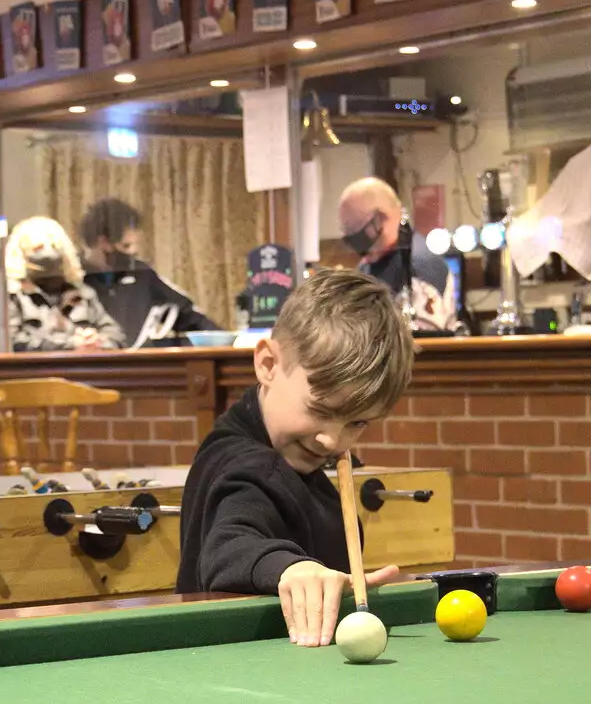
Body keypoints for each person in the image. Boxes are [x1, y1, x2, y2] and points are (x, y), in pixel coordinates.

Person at [175, 270, 415, 646]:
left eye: (358, 422)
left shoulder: (281, 457)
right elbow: (228, 545)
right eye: (319, 409)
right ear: (268, 365)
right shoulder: (249, 466)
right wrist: (290, 567)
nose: (331, 439)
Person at [77, 197, 220, 346]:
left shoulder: (142, 274)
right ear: (103, 242)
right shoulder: (71, 280)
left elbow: (190, 316)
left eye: (134, 245)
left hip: (138, 366)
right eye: (126, 246)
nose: (134, 251)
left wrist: (228, 342)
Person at [336, 177, 459, 333]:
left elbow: (424, 341)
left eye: (353, 228)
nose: (349, 237)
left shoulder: (421, 265)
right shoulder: (368, 265)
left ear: (380, 219)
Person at [2, 215, 124, 352]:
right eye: (38, 248)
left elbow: (115, 334)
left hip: (83, 370)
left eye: (54, 246)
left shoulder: (84, 294)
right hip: (37, 372)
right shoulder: (12, 297)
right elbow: (11, 342)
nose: (49, 253)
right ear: (22, 255)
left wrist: (98, 341)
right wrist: (70, 345)